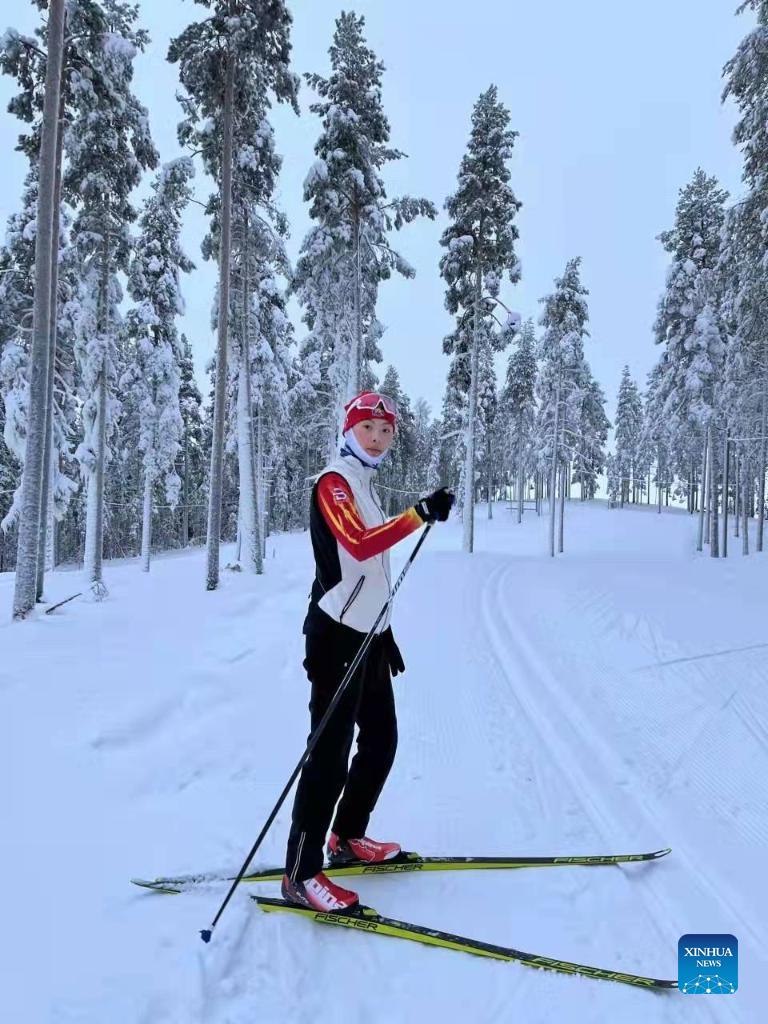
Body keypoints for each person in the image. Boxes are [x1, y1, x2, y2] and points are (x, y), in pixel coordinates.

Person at [282, 390, 455, 912]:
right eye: (368, 429)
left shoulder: (366, 485)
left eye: (386, 432)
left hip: (369, 636)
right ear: (348, 431)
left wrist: (384, 632)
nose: (377, 438)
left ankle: (346, 837)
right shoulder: (334, 483)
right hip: (334, 636)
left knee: (381, 740)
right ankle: (300, 873)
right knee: (329, 758)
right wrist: (418, 514)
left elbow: (370, 574)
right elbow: (359, 544)